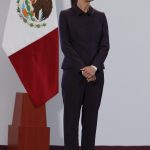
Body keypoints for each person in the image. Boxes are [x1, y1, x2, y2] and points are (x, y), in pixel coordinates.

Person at [59, 0, 110, 149]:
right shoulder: (66, 15)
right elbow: (66, 46)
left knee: (90, 121)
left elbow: (105, 46)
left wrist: (93, 68)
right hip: (73, 75)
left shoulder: (101, 17)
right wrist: (83, 68)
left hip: (95, 77)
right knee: (71, 121)